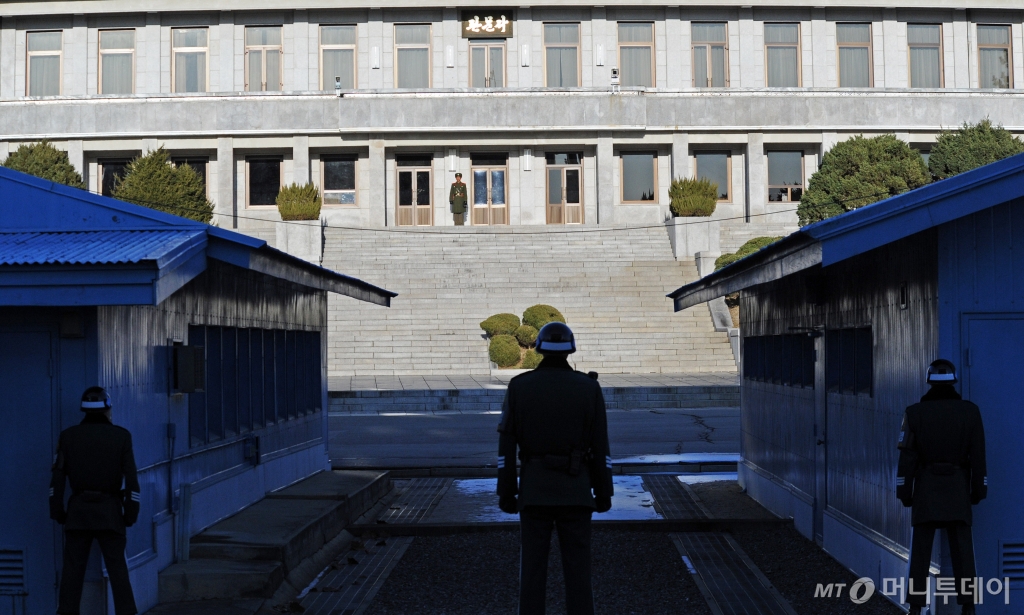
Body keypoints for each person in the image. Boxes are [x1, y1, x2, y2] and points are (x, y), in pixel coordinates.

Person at [496, 322, 614, 615]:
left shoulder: (519, 386)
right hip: (576, 490)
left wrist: (507, 491)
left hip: (534, 490)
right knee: (579, 571)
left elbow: (506, 446)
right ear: (570, 349)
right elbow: (600, 445)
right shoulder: (588, 387)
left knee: (532, 570)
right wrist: (603, 491)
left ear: (539, 348)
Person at [896, 359, 987, 615]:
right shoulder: (970, 412)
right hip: (958, 488)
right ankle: (968, 606)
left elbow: (907, 458)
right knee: (963, 552)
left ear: (929, 381)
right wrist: (979, 490)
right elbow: (978, 455)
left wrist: (904, 492)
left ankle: (915, 607)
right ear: (953, 381)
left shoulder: (914, 413)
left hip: (926, 488)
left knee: (920, 553)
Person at [50, 386, 141, 615]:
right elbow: (131, 479)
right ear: (107, 409)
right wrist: (130, 514)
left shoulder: (68, 437)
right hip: (110, 512)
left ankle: (67, 612)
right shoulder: (121, 437)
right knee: (118, 570)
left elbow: (57, 479)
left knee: (72, 571)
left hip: (78, 513)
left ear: (84, 410)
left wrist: (58, 511)